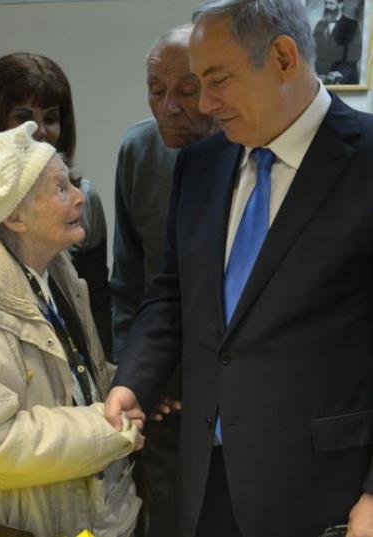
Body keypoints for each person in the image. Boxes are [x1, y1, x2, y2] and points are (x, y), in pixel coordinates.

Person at [105, 1, 373, 536]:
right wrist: (134, 380)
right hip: (202, 479)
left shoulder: (365, 161)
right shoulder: (203, 165)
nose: (204, 103)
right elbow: (171, 294)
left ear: (282, 58)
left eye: (217, 80)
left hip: (326, 489)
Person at [0, 122, 142, 537]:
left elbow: (69, 381)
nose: (79, 196)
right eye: (59, 188)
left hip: (77, 516)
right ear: (15, 215)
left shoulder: (55, 273)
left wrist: (129, 390)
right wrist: (111, 429)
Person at [0, 52, 113, 353]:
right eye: (23, 118)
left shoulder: (84, 199)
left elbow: (98, 300)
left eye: (50, 118)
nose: (39, 130)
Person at [111, 24, 217, 537]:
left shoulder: (244, 153)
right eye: (157, 91)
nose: (170, 106)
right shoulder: (139, 151)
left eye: (187, 90)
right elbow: (128, 285)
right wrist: (137, 378)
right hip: (161, 395)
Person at [313, 0, 362, 84]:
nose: (327, 6)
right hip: (323, 78)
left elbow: (355, 54)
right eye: (326, 3)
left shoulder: (351, 25)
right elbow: (313, 51)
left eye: (331, 3)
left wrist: (341, 73)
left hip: (344, 77)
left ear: (340, 5)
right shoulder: (320, 25)